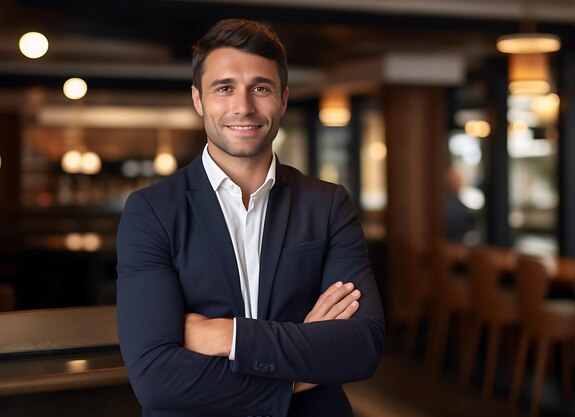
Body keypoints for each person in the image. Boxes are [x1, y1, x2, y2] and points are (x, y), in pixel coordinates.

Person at [116, 18, 385, 417]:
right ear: (198, 100)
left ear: (283, 98)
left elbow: (361, 348)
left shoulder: (327, 204)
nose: (243, 106)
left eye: (261, 88)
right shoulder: (151, 211)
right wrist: (301, 365)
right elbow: (157, 379)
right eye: (224, 88)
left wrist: (229, 335)